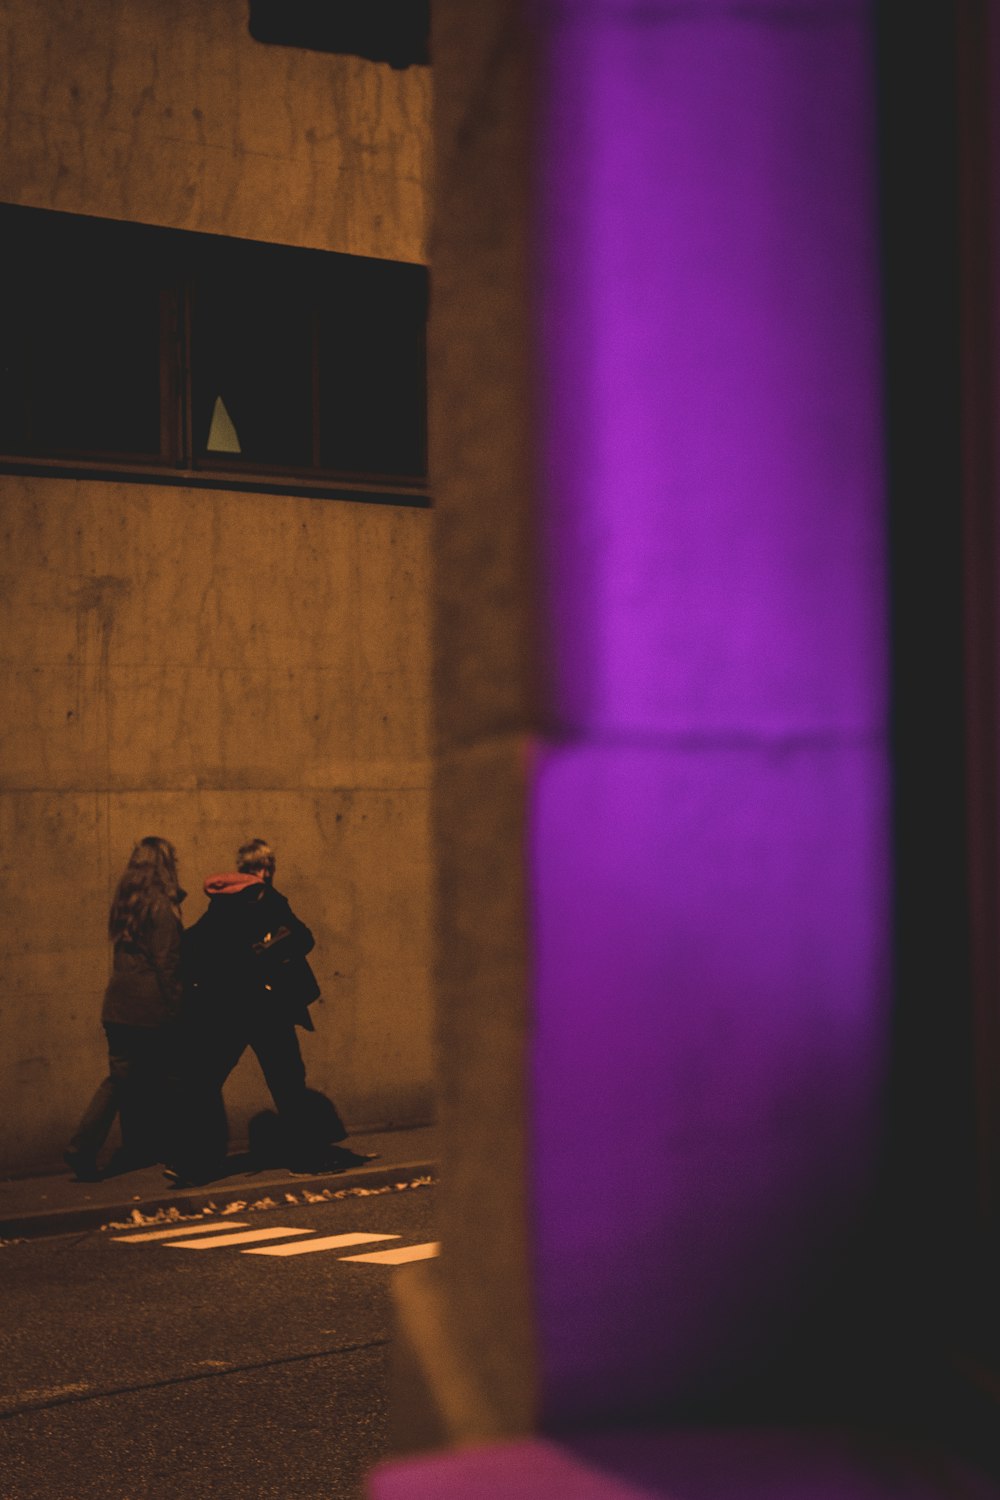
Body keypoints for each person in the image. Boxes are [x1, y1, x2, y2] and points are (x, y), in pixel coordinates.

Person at [175, 838, 344, 1180]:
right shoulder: (268, 898)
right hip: (268, 1007)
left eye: (268, 866)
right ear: (255, 869)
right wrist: (265, 952)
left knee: (206, 1078)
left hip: (227, 1008)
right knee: (287, 1081)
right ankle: (306, 1157)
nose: (266, 873)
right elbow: (304, 937)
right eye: (261, 866)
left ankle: (193, 1162)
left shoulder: (219, 903)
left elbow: (193, 946)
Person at [65, 837, 185, 1181]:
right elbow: (168, 964)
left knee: (119, 1081)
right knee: (175, 1079)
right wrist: (179, 1011)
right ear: (165, 865)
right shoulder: (162, 908)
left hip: (118, 1007)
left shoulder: (127, 904)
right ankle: (183, 1152)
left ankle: (81, 1147)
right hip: (151, 1009)